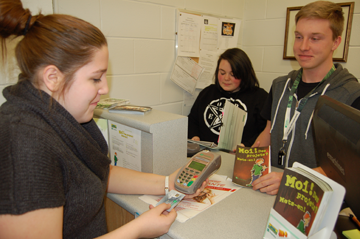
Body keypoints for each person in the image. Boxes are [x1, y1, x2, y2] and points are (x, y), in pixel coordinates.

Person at [0, 1, 206, 238]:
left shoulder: (63, 115)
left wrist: (167, 182)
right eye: (96, 78)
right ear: (53, 77)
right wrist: (138, 229)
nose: (105, 88)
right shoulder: (23, 144)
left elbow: (97, 172)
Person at [251, 0, 360, 195]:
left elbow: (348, 168)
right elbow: (269, 132)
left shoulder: (351, 95)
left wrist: (292, 179)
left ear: (336, 42)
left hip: (316, 201)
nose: (303, 46)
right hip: (272, 192)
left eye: (315, 38)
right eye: (299, 36)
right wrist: (249, 157)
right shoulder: (280, 85)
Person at [187, 48, 268, 147]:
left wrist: (246, 145)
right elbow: (192, 120)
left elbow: (266, 131)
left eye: (233, 74)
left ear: (244, 74)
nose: (226, 78)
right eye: (222, 73)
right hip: (207, 154)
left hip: (240, 157)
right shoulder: (207, 93)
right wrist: (194, 136)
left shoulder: (259, 97)